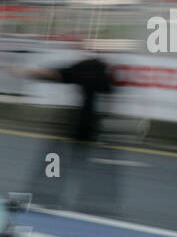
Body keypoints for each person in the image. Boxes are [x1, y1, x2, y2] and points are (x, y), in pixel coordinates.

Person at [12, 55, 120, 213]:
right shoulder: (104, 74)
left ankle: (42, 196)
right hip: (94, 125)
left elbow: (56, 75)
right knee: (86, 164)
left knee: (54, 159)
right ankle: (97, 202)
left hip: (78, 123)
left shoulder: (87, 69)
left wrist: (26, 72)